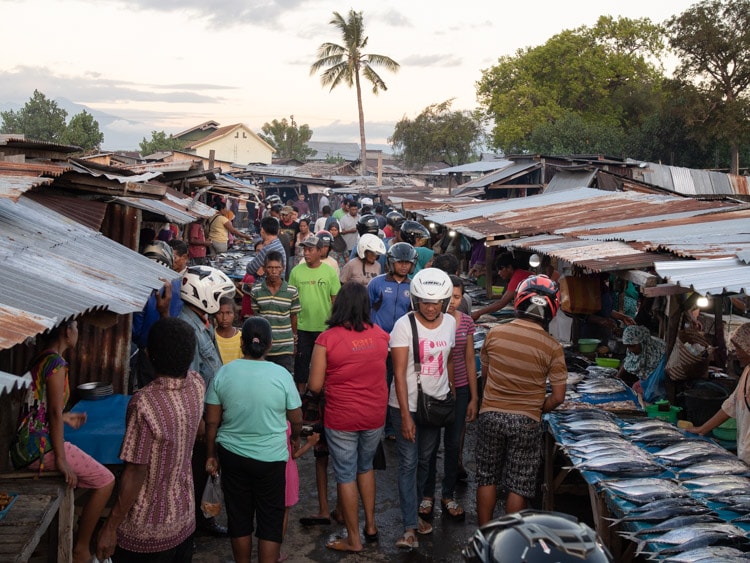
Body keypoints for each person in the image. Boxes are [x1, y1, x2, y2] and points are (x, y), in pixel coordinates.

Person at [95, 318, 205, 562]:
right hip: (184, 519)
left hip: (145, 533)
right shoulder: (197, 385)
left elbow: (135, 472)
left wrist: (110, 526)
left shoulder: (145, 403)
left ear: (150, 355)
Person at [11, 320, 115, 563]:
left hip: (24, 446)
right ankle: (80, 548)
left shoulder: (41, 359)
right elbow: (54, 413)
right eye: (76, 328)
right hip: (37, 449)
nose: (77, 333)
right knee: (106, 481)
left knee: (87, 479)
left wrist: (65, 417)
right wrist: (61, 459)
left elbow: (41, 407)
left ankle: (75, 530)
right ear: (68, 332)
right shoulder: (57, 365)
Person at [205, 317, 302, 563]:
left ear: (242, 343)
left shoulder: (224, 373)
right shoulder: (281, 375)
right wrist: (296, 439)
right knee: (270, 520)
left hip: (232, 456)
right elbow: (296, 417)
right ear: (269, 345)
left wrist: (211, 454)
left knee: (239, 519)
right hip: (271, 458)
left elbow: (212, 421)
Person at [476, 275, 566, 525]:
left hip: (491, 415)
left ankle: (484, 538)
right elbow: (558, 397)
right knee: (518, 484)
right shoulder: (553, 347)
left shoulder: (494, 334)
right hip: (527, 422)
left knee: (487, 478)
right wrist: (537, 407)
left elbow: (486, 375)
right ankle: (509, 543)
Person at [307, 282, 390, 553]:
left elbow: (315, 386)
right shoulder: (380, 335)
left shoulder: (327, 339)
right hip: (375, 414)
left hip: (342, 416)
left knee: (345, 474)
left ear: (338, 304)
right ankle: (371, 526)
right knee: (365, 467)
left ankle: (353, 539)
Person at [389, 268, 456, 549]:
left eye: (436, 302)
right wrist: (405, 416)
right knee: (407, 462)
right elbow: (399, 373)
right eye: (426, 302)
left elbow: (449, 359)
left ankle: (415, 515)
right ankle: (409, 526)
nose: (431, 308)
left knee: (425, 461)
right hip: (407, 404)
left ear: (446, 301)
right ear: (416, 301)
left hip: (436, 404)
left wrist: (451, 389)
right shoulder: (403, 326)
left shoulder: (451, 323)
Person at [179, 265, 235, 537]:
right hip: (200, 418)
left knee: (205, 468)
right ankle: (197, 523)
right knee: (199, 469)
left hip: (208, 414)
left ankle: (202, 520)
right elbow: (190, 379)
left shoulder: (201, 322)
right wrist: (200, 419)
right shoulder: (188, 328)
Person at [422, 275, 478, 521]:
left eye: (458, 297)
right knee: (430, 447)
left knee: (454, 445)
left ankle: (447, 494)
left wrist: (474, 397)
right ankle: (427, 495)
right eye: (450, 297)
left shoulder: (465, 322)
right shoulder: (433, 322)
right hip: (435, 389)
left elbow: (468, 359)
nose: (453, 301)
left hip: (461, 389)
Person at [368, 242, 418, 441]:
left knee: (398, 386)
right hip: (378, 345)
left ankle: (391, 428)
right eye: (400, 262)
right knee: (380, 386)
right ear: (391, 263)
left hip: (403, 346)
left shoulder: (414, 286)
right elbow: (365, 311)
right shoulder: (376, 284)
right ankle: (376, 426)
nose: (404, 266)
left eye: (407, 263)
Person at [687, 323, 750, 463]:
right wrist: (702, 429)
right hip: (744, 451)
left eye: (739, 348)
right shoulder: (747, 371)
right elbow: (732, 404)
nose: (736, 352)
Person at [288, 235, 341, 395]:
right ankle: (301, 398)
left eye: (310, 250)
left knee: (325, 365)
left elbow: (335, 301)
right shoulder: (296, 272)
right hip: (303, 327)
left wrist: (335, 327)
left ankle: (320, 398)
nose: (306, 253)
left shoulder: (329, 272)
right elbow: (291, 302)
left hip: (324, 328)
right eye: (304, 249)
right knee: (301, 365)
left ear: (320, 251)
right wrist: (294, 331)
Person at [131, 241, 183, 389]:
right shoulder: (177, 283)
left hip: (147, 351)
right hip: (172, 348)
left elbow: (136, 331)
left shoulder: (142, 287)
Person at [250, 251, 301, 375]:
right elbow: (257, 317)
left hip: (285, 347)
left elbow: (293, 317)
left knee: (284, 380)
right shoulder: (256, 291)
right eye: (270, 267)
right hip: (264, 348)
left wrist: (294, 340)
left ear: (282, 268)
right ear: (264, 269)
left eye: (277, 267)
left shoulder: (291, 291)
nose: (274, 271)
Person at [471, 253, 532, 321]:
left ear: (509, 267)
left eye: (501, 269)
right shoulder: (520, 274)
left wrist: (479, 313)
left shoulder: (518, 277)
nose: (499, 273)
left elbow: (502, 303)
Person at [616, 324, 667, 391]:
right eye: (627, 346)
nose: (631, 350)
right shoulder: (632, 344)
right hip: (646, 379)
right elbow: (628, 361)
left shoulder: (658, 350)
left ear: (642, 342)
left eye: (632, 346)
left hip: (659, 381)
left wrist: (644, 385)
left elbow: (658, 375)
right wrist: (616, 379)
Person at [246, 216, 287, 280]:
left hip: (268, 286)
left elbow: (250, 269)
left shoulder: (267, 249)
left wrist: (262, 267)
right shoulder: (277, 243)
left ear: (262, 230)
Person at [215, 296, 243, 364]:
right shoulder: (211, 336)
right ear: (214, 315)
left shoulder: (241, 337)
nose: (224, 318)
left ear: (234, 314)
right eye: (220, 313)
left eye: (228, 313)